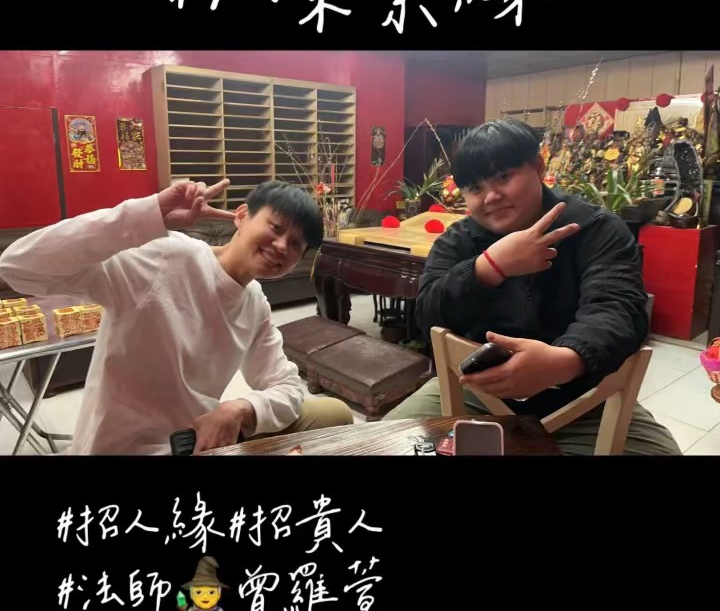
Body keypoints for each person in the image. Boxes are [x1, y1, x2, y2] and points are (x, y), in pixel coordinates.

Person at [384, 120, 680, 455]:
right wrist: (488, 267)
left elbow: (617, 309)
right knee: (381, 445)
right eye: (475, 188)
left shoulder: (597, 230)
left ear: (538, 167)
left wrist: (565, 361)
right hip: (476, 393)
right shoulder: (457, 241)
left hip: (586, 400)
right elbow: (427, 316)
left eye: (503, 177)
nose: (491, 197)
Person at [0, 178, 353, 455]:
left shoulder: (254, 301)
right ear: (242, 216)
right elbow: (18, 268)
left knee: (334, 413)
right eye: (276, 228)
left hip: (197, 439)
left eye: (296, 244)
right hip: (126, 447)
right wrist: (146, 215)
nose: (281, 247)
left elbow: (286, 386)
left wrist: (240, 408)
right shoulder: (165, 258)